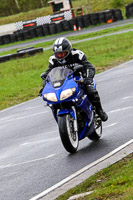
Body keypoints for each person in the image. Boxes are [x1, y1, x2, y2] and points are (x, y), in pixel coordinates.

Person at [40, 37, 108, 122]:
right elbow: (49, 72)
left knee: (91, 91)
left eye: (63, 53)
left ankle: (99, 110)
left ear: (69, 50)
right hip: (64, 81)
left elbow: (89, 67)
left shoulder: (77, 54)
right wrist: (45, 85)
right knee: (52, 99)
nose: (60, 56)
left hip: (80, 79)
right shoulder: (53, 59)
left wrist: (88, 79)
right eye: (58, 54)